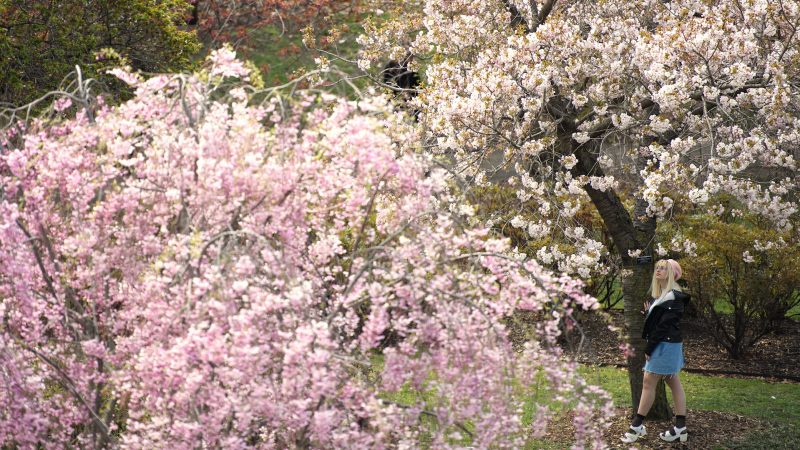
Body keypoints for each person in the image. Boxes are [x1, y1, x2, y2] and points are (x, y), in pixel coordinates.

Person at [621, 258, 691, 444]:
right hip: (668, 344)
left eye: (663, 268)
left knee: (648, 383)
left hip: (664, 345)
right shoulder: (664, 296)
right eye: (657, 268)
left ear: (672, 274)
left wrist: (649, 348)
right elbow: (661, 322)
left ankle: (636, 426)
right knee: (673, 382)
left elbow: (663, 327)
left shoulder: (673, 297)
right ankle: (680, 427)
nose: (658, 270)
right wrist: (649, 315)